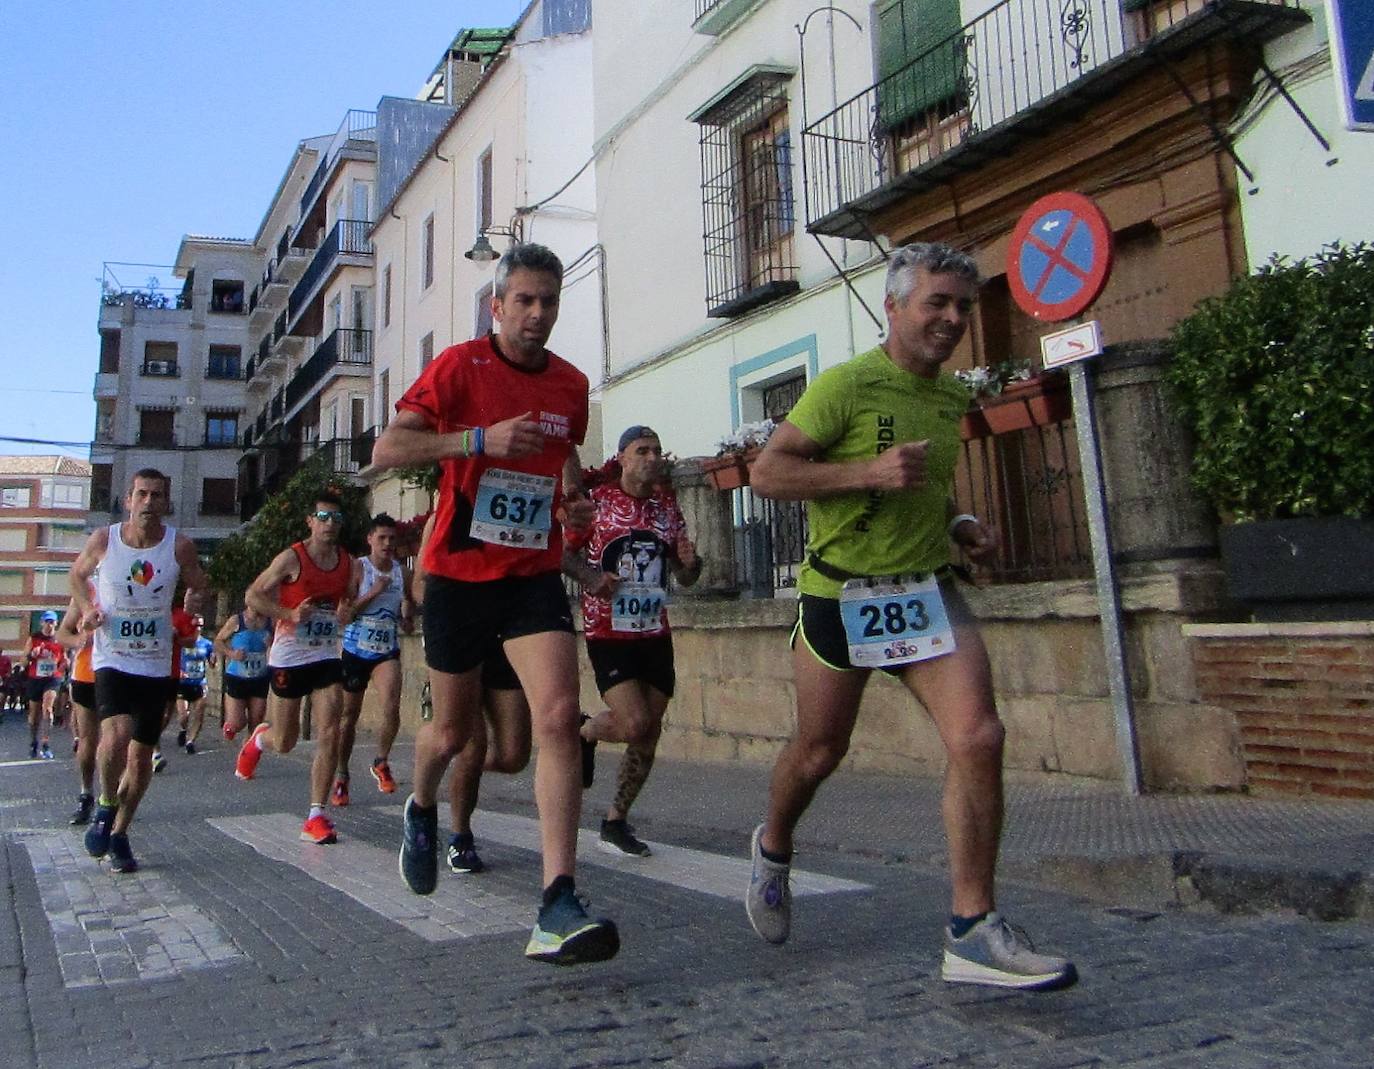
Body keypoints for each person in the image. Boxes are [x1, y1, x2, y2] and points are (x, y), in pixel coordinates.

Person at [743, 243, 1076, 991]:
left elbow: (925, 489)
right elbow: (767, 472)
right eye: (938, 303)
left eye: (963, 304)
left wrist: (960, 522)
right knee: (820, 751)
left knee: (979, 735)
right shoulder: (846, 386)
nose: (954, 318)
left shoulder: (951, 397)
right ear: (894, 307)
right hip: (842, 595)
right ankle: (773, 843)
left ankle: (971, 928)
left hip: (924, 591)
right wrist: (865, 470)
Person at [371, 241, 618, 965]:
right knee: (449, 736)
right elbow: (388, 449)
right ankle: (421, 807)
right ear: (497, 305)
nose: (538, 314)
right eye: (525, 300)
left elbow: (565, 446)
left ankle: (558, 899)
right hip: (457, 576)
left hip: (533, 575)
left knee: (557, 721)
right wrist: (478, 438)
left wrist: (572, 491)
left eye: (549, 301)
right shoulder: (459, 368)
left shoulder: (571, 385)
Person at [564, 427, 702, 857]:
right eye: (642, 451)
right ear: (621, 457)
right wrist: (591, 578)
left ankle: (615, 821)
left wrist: (689, 562)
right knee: (636, 722)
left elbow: (685, 576)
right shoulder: (599, 502)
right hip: (609, 632)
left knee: (648, 732)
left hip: (654, 631)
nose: (652, 458)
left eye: (657, 450)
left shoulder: (666, 506)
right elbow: (560, 552)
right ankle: (584, 730)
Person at [69, 468, 208, 873]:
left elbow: (200, 583)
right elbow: (77, 575)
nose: (149, 502)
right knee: (116, 736)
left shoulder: (179, 547)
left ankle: (120, 832)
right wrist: (90, 609)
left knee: (142, 754)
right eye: (141, 494)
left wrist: (195, 602)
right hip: (112, 656)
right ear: (128, 500)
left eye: (157, 496)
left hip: (155, 661)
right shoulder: (104, 540)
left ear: (166, 503)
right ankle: (106, 803)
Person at [234, 490, 356, 847]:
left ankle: (316, 815)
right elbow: (253, 596)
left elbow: (346, 604)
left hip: (326, 654)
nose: (329, 524)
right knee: (284, 742)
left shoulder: (349, 562)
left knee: (330, 729)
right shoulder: (292, 558)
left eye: (336, 519)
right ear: (310, 521)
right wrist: (289, 614)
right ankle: (259, 739)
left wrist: (347, 613)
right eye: (323, 517)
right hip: (289, 655)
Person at [334, 513, 414, 805]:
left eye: (392, 538)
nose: (387, 544)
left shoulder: (402, 573)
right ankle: (342, 774)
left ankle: (381, 761)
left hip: (386, 650)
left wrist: (406, 618)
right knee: (348, 718)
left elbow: (409, 602)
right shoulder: (358, 568)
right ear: (370, 539)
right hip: (356, 650)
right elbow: (346, 614)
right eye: (381, 538)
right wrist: (374, 592)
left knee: (392, 707)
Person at [55, 600, 98, 824]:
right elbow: (61, 634)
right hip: (87, 675)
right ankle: (86, 793)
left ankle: (114, 796)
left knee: (120, 739)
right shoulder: (86, 591)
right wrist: (80, 640)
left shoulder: (134, 581)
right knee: (88, 740)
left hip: (124, 673)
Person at [214, 606, 272, 740]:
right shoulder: (237, 620)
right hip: (237, 677)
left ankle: (247, 757)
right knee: (237, 723)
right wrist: (231, 653)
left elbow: (280, 643)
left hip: (260, 677)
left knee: (256, 723)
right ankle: (231, 725)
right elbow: (218, 641)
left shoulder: (270, 622)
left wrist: (272, 643)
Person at [23, 611, 67, 759]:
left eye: (52, 622)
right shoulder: (34, 638)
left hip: (52, 678)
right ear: (42, 623)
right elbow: (24, 662)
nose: (49, 625)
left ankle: (46, 743)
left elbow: (65, 660)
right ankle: (33, 741)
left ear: (56, 623)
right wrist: (32, 655)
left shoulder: (60, 639)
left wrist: (63, 667)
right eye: (47, 622)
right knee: (34, 715)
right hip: (35, 678)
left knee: (47, 709)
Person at [175, 616, 215, 754]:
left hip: (200, 683)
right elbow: (171, 658)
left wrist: (213, 660)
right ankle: (183, 729)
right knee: (183, 716)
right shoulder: (182, 642)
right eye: (195, 626)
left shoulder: (207, 644)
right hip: (182, 683)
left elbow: (212, 663)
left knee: (198, 714)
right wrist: (177, 671)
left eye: (200, 626)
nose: (197, 628)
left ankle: (191, 742)